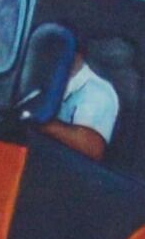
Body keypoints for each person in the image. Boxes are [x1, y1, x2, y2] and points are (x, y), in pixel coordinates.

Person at [38, 26, 119, 161]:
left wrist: (40, 122)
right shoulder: (47, 78)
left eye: (59, 48)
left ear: (76, 53)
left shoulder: (96, 92)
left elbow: (91, 147)